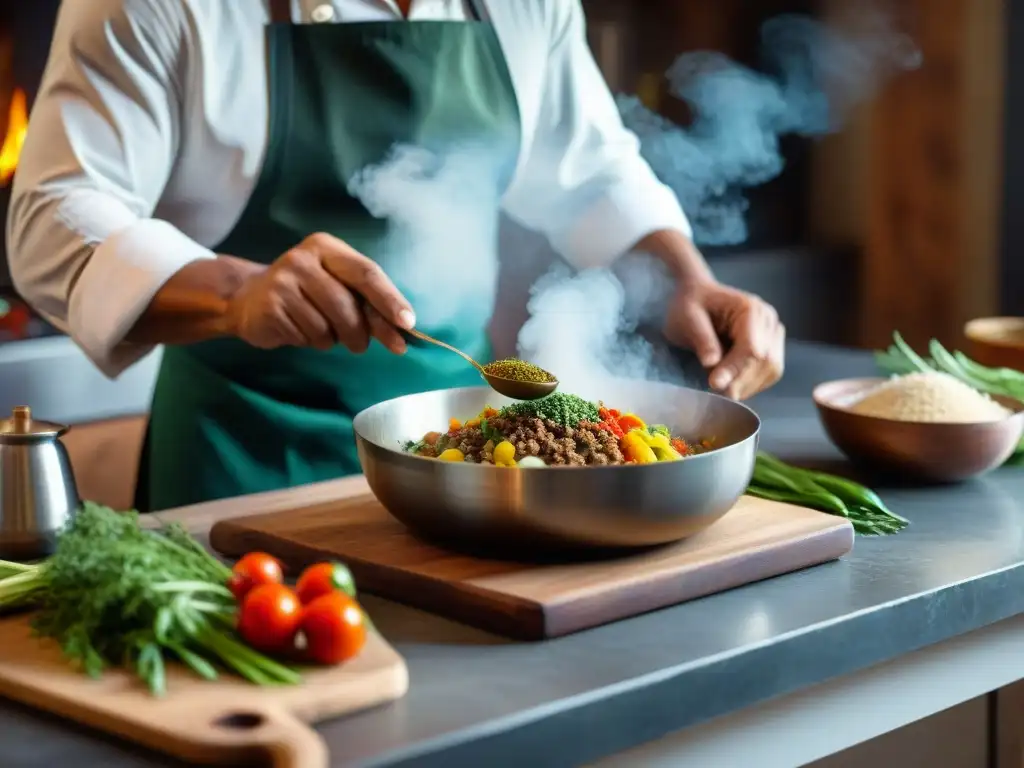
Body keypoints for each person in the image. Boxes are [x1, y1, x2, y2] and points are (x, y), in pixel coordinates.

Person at [7, 0, 785, 512]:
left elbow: (588, 170)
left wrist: (685, 278)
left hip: (462, 449)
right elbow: (51, 216)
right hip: (242, 460)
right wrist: (240, 293)